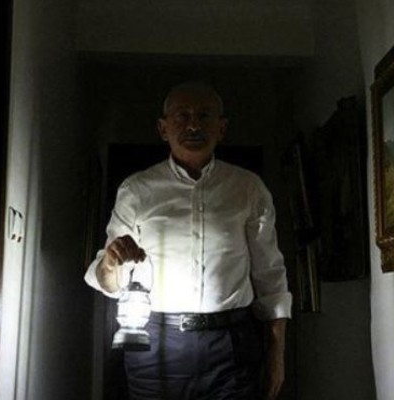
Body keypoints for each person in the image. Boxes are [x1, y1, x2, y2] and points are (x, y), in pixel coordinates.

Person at [84, 81, 292, 400]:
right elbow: (110, 281)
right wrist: (111, 262)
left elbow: (270, 275)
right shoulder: (136, 190)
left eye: (204, 115)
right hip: (155, 345)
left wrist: (277, 354)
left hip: (232, 345)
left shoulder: (248, 188)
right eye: (182, 115)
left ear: (221, 128)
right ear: (163, 128)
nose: (193, 125)